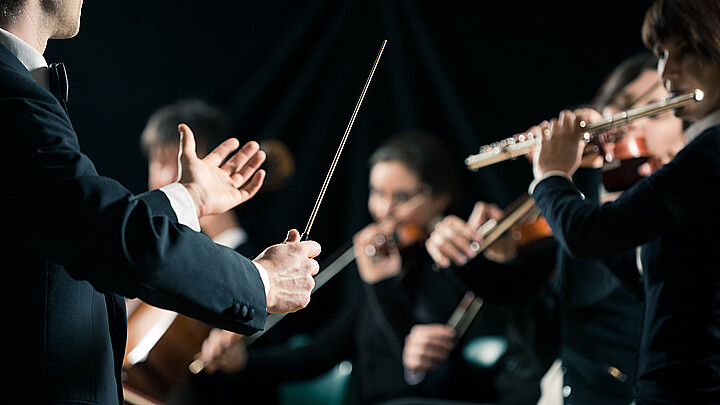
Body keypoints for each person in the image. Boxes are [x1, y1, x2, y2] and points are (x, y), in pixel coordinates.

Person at [0, 1, 321, 403]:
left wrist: (189, 197)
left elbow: (74, 224)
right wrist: (262, 282)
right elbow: (105, 235)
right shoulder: (9, 92)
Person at [191, 131, 549, 405]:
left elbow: (431, 380)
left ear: (440, 197)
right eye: (377, 192)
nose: (384, 210)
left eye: (402, 197)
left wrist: (383, 286)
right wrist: (243, 362)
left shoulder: (459, 270)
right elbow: (320, 354)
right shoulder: (391, 264)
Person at [530, 0, 720, 403]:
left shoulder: (710, 155)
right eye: (662, 54)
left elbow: (585, 235)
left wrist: (551, 175)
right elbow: (653, 285)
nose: (667, 73)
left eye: (684, 50)